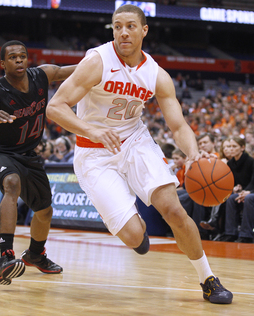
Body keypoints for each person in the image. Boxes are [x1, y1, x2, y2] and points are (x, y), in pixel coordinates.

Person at [46, 4, 232, 304]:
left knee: (174, 210)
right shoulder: (97, 61)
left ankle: (207, 278)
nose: (123, 32)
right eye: (117, 26)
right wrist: (91, 131)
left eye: (130, 26)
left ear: (144, 30)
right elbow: (55, 107)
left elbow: (178, 125)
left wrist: (194, 152)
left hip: (134, 141)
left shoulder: (156, 74)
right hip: (94, 153)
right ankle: (136, 228)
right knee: (135, 236)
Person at [0, 40, 76, 285]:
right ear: (3, 63)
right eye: (13, 57)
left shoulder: (42, 76)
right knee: (12, 183)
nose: (19, 60)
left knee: (44, 211)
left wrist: (101, 63)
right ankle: (6, 257)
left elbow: (73, 70)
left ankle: (36, 254)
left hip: (28, 156)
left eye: (23, 56)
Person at [215, 137, 254, 242]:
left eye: (234, 146)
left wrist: (248, 191)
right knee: (231, 198)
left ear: (242, 148)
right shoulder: (231, 163)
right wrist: (236, 188)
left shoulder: (251, 161)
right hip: (242, 192)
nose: (231, 149)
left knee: (249, 198)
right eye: (230, 146)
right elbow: (231, 180)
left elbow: (253, 180)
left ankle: (246, 235)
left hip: (250, 192)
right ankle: (230, 233)